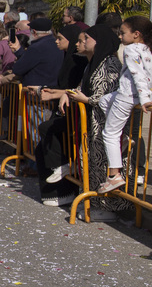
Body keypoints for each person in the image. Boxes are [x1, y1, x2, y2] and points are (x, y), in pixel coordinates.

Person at [36, 26, 124, 220]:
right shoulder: (92, 63)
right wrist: (69, 94)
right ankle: (93, 202)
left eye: (85, 39)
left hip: (103, 123)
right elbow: (82, 87)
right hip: (90, 123)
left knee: (101, 164)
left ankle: (106, 206)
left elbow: (107, 96)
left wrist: (86, 100)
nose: (80, 43)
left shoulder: (110, 64)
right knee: (90, 162)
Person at [98, 16, 152, 194]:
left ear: (136, 34)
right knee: (104, 101)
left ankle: (114, 176)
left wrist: (144, 99)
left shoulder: (131, 49)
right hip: (132, 94)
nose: (120, 36)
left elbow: (138, 74)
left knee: (109, 134)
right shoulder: (151, 49)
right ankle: (124, 139)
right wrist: (148, 96)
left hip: (129, 95)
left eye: (123, 33)